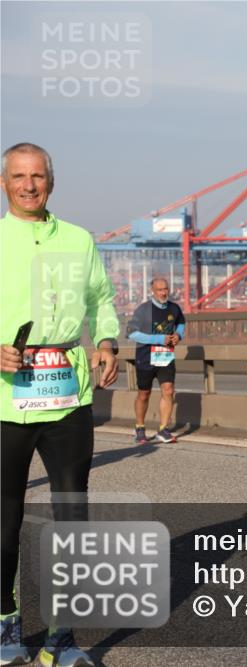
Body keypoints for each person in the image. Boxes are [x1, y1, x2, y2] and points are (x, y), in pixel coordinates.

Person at [1, 143, 119, 667]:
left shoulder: (79, 239)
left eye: (39, 176)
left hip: (68, 394)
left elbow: (102, 299)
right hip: (6, 401)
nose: (30, 185)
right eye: (19, 176)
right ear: (4, 182)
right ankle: (6, 629)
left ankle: (60, 640)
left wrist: (108, 342)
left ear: (52, 180)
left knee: (73, 515)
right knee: (6, 522)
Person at [127, 277, 185, 444]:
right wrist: (159, 339)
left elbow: (181, 323)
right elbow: (131, 334)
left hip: (165, 357)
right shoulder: (143, 310)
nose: (163, 292)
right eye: (159, 290)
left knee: (168, 390)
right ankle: (139, 428)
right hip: (145, 357)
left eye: (165, 289)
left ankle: (163, 429)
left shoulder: (174, 308)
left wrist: (178, 335)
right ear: (152, 291)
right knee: (144, 394)